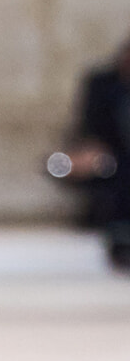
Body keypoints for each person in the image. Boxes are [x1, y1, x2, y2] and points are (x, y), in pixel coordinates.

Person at [53, 36, 130, 271]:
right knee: (112, 166)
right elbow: (90, 128)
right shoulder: (103, 84)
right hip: (111, 159)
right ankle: (120, 234)